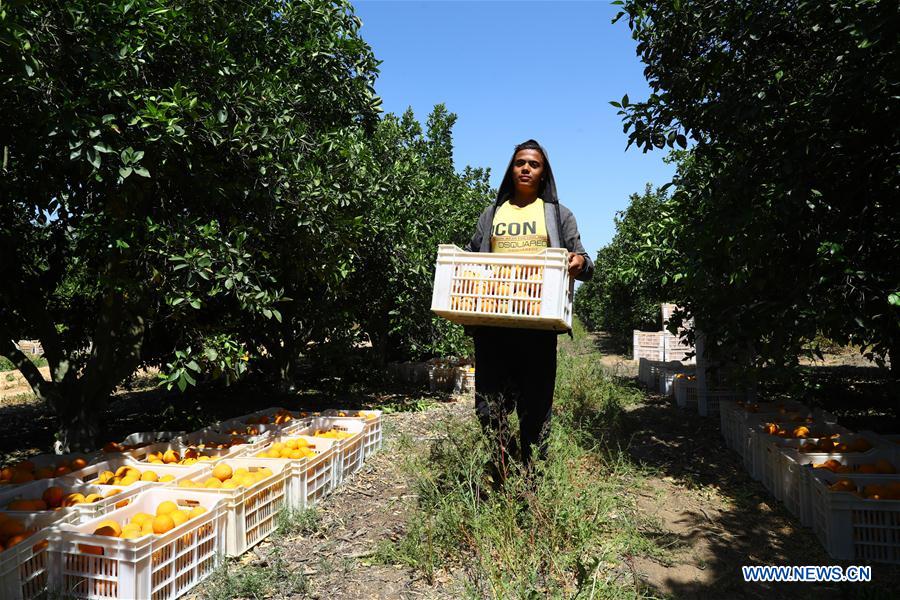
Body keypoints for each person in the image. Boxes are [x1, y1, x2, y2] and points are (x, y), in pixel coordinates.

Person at [465, 139, 593, 477]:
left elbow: (586, 261)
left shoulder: (558, 215)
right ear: (511, 168)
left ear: (543, 173)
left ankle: (534, 480)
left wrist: (579, 262)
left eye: (533, 164)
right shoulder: (491, 215)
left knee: (535, 410)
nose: (526, 168)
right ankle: (501, 474)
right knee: (490, 409)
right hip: (493, 326)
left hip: (537, 327)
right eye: (520, 162)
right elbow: (471, 258)